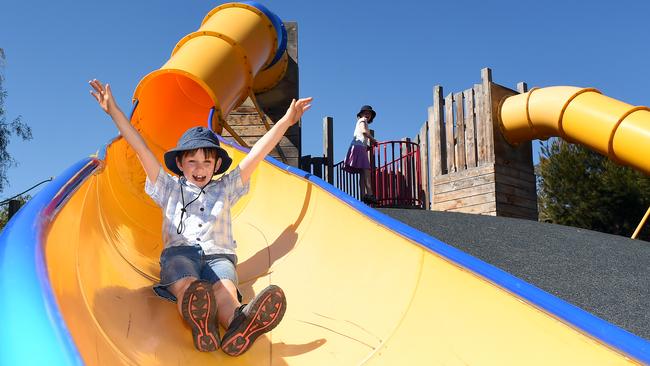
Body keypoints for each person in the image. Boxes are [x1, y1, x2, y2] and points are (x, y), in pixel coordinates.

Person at [89, 79, 312, 356]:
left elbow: (258, 153)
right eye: (192, 161)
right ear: (180, 164)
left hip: (220, 256)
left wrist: (286, 121)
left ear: (217, 164)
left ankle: (238, 324)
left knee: (226, 292)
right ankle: (200, 316)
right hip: (180, 253)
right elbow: (141, 148)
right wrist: (114, 112)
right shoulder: (168, 187)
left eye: (207, 161)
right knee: (188, 284)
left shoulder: (225, 187)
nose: (199, 168)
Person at [343, 105, 378, 204]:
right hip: (358, 147)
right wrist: (373, 140)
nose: (367, 115)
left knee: (363, 173)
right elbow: (364, 131)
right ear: (361, 114)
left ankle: (363, 195)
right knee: (366, 171)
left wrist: (367, 145)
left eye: (369, 113)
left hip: (357, 146)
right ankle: (370, 194)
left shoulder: (361, 122)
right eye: (365, 112)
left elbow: (360, 135)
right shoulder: (363, 120)